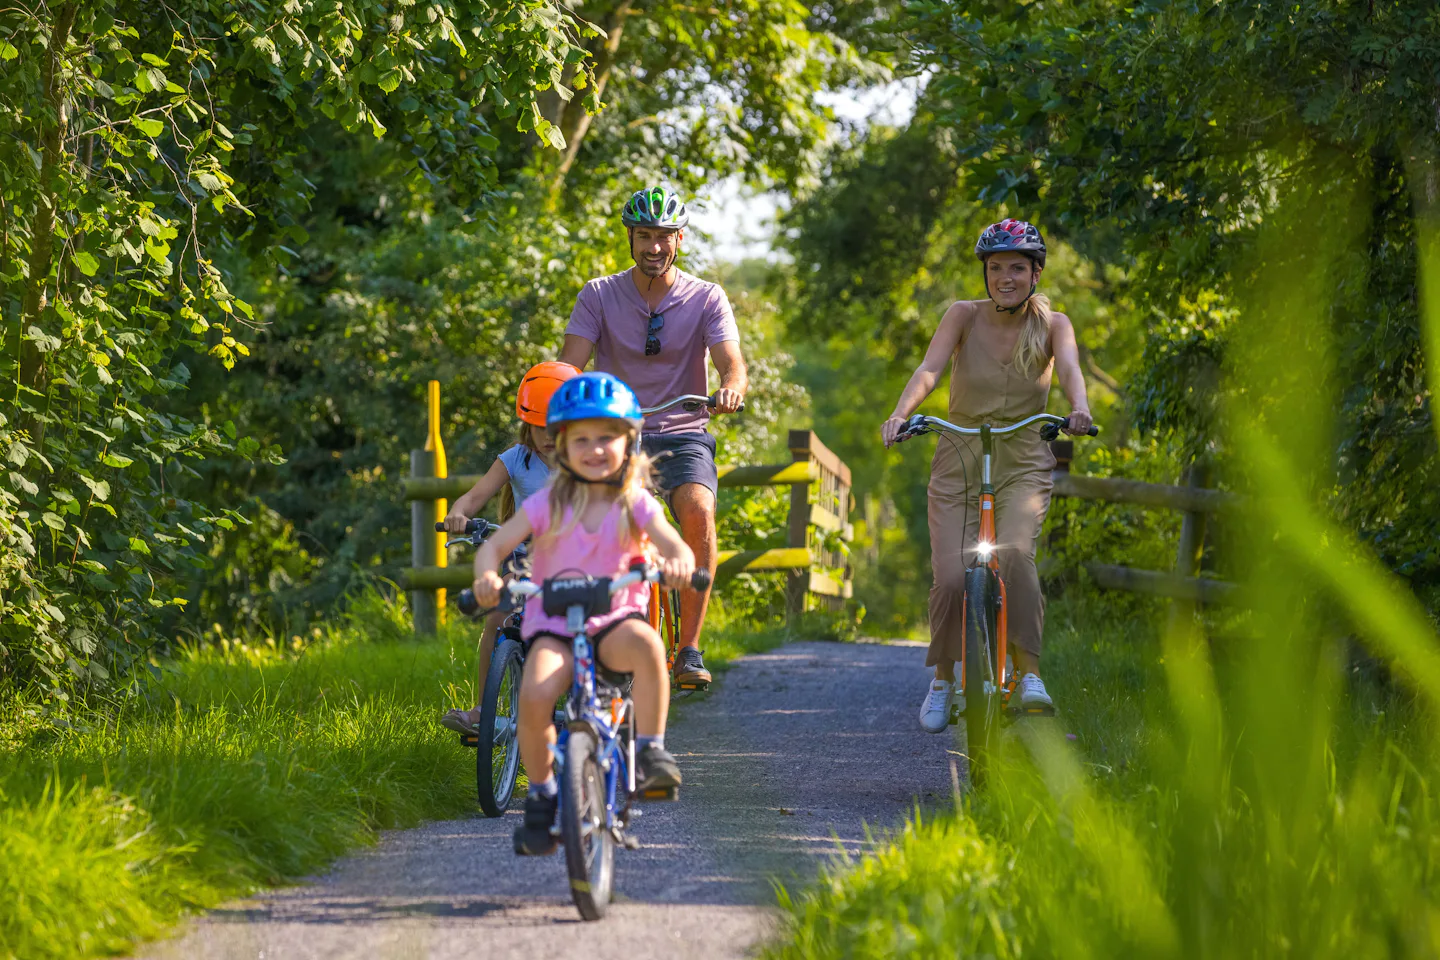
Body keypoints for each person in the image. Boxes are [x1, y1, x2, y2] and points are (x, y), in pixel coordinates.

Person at [880, 219, 1093, 732]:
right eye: (996, 268)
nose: (1005, 277)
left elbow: (1067, 368)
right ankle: (943, 681)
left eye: (1016, 268)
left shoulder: (1053, 323)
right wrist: (902, 412)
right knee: (953, 576)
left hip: (1022, 458)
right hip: (959, 454)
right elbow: (930, 368)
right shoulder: (963, 316)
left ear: (1035, 272)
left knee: (1016, 554)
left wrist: (1079, 407)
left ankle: (1029, 676)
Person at [471, 371, 695, 856]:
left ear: (629, 442)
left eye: (607, 437)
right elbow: (496, 546)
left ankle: (652, 750)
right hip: (553, 626)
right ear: (562, 446)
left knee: (650, 648)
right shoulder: (549, 503)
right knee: (534, 693)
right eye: (581, 439)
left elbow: (673, 541)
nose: (595, 449)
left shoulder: (633, 503)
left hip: (614, 622)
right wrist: (487, 576)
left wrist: (679, 560)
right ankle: (543, 794)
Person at [558, 186, 747, 688]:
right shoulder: (598, 294)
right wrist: (555, 398)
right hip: (617, 434)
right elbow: (568, 365)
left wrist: (729, 388)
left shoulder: (706, 296)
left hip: (683, 429)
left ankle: (688, 648)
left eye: (664, 236)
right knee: (609, 519)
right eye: (645, 236)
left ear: (679, 239)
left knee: (698, 510)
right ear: (630, 237)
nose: (654, 247)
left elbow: (732, 363)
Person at [438, 361, 579, 736]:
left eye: (556, 428)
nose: (547, 436)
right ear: (525, 423)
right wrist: (457, 512)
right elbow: (475, 496)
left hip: (573, 560)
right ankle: (484, 708)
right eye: (538, 427)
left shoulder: (581, 461)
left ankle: (583, 701)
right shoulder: (516, 458)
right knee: (496, 618)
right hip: (525, 558)